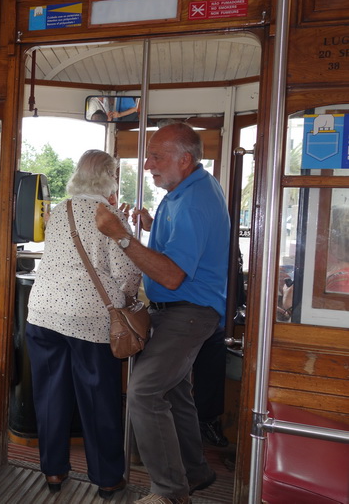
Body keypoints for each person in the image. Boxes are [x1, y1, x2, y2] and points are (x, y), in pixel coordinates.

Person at [95, 122, 228, 504]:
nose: (148, 163)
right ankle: (196, 472)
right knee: (175, 392)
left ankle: (170, 493)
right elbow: (178, 249)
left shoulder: (192, 202)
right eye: (148, 155)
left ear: (185, 159)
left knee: (144, 392)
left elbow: (171, 276)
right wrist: (152, 228)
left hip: (188, 311)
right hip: (180, 309)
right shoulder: (184, 191)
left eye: (157, 156)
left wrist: (121, 235)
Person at [25, 150, 141, 499]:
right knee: (97, 398)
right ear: (110, 177)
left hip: (43, 313)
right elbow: (127, 273)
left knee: (49, 395)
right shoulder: (112, 216)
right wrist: (131, 300)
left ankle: (54, 471)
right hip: (89, 320)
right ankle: (107, 478)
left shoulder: (60, 211)